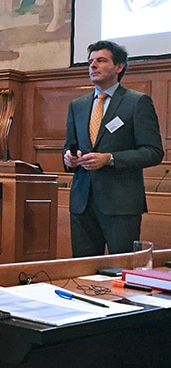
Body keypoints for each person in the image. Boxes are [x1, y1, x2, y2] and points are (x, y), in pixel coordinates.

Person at [63, 40, 163, 257]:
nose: (93, 66)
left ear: (119, 67)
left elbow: (153, 152)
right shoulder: (77, 106)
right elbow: (69, 147)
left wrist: (109, 158)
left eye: (101, 60)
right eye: (90, 62)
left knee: (121, 270)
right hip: (82, 202)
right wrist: (69, 159)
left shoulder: (137, 102)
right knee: (82, 270)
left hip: (121, 204)